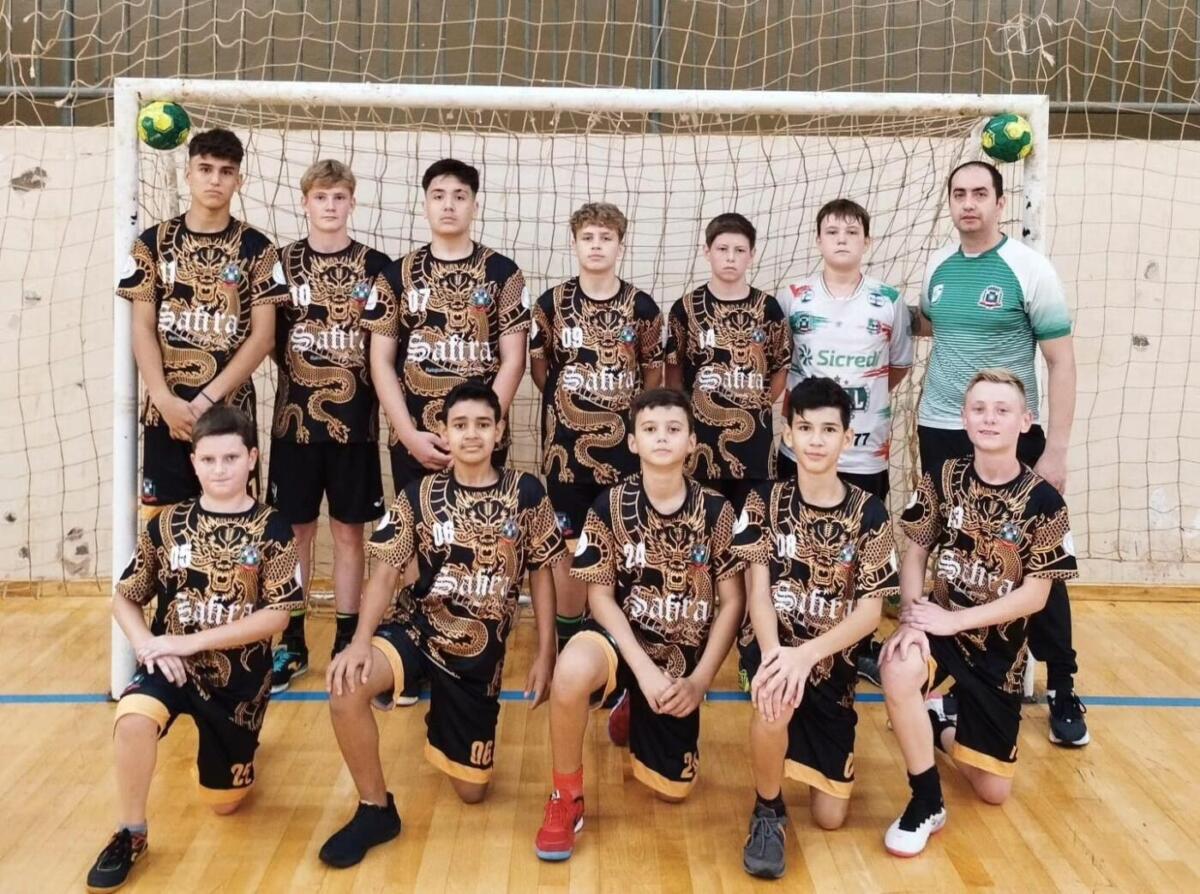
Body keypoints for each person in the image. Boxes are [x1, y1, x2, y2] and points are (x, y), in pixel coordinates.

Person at [318, 380, 564, 869]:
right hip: (419, 629)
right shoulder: (419, 494)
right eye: (460, 425)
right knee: (346, 688)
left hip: (476, 661)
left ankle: (445, 721)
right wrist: (359, 641)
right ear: (444, 432)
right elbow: (385, 571)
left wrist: (545, 652)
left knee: (472, 792)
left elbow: (541, 573)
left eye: (482, 424)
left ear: (499, 432)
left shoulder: (526, 493)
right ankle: (375, 809)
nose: (471, 434)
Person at [85, 405, 302, 892]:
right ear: (193, 462)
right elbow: (125, 597)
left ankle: (235, 747)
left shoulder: (274, 528)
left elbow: (278, 615)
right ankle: (131, 833)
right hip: (170, 666)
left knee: (225, 805)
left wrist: (187, 641)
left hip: (238, 681)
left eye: (231, 458)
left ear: (252, 458)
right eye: (208, 459)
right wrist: (148, 646)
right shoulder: (168, 525)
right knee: (133, 717)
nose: (219, 469)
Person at [533, 388, 749, 862]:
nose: (662, 438)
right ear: (633, 442)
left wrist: (700, 681)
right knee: (570, 672)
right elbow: (599, 598)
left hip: (679, 657)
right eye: (650, 429)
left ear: (692, 441)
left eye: (673, 429)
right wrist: (643, 671)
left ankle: (633, 708)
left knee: (673, 792)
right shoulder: (607, 505)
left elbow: (733, 602)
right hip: (620, 642)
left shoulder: (717, 512)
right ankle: (566, 797)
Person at [915, 160, 1087, 746]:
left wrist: (1056, 449)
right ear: (950, 201)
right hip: (941, 428)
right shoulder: (937, 267)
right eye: (959, 193)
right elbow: (936, 329)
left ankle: (1062, 684)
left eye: (980, 193)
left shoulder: (1028, 269)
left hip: (1010, 435)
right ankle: (954, 681)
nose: (969, 203)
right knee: (956, 557)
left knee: (1037, 563)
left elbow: (1061, 362)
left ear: (999, 202)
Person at [879, 369, 1078, 857]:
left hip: (997, 654)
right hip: (939, 631)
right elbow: (915, 552)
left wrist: (956, 621)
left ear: (1025, 422)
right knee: (898, 665)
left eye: (1002, 410)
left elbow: (1035, 596)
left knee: (992, 791)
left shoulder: (1046, 503)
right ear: (965, 419)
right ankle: (926, 800)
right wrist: (912, 619)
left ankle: (937, 722)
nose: (989, 418)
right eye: (979, 409)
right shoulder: (944, 477)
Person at [737, 377, 898, 879]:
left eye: (829, 430)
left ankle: (805, 752)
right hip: (773, 645)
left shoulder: (871, 513)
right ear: (788, 434)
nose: (816, 440)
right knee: (776, 695)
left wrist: (806, 656)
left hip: (830, 662)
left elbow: (870, 613)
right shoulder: (762, 502)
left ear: (847, 438)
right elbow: (757, 594)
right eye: (805, 428)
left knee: (830, 818)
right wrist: (775, 656)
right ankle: (767, 810)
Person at [775, 198, 913, 688]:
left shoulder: (889, 301)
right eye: (832, 232)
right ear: (818, 240)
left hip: (865, 451)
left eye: (851, 232)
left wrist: (856, 410)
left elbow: (897, 368)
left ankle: (858, 646)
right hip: (801, 452)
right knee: (795, 547)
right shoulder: (793, 299)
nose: (841, 239)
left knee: (860, 554)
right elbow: (779, 368)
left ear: (866, 241)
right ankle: (787, 639)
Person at [267, 159, 391, 692]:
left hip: (355, 428)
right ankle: (292, 640)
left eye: (339, 197)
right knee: (295, 532)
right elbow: (266, 337)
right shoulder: (281, 263)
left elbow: (387, 345)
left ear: (352, 203)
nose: (330, 206)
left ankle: (345, 637)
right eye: (321, 197)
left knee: (348, 533)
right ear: (305, 202)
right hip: (293, 427)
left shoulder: (377, 267)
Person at [117, 127, 286, 511]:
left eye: (226, 171)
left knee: (232, 519)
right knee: (163, 521)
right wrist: (163, 398)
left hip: (229, 414)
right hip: (166, 412)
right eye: (205, 169)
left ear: (239, 180)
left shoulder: (258, 249)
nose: (215, 180)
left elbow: (263, 337)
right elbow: (142, 327)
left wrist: (207, 400)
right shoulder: (152, 243)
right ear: (189, 174)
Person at [529, 201, 663, 653]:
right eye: (588, 237)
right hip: (565, 454)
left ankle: (618, 638)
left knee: (622, 546)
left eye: (606, 238)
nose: (596, 245)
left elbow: (652, 374)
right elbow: (541, 370)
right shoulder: (551, 304)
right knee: (569, 550)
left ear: (620, 245)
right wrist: (574, 405)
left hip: (625, 456)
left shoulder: (642, 306)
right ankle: (568, 638)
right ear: (574, 243)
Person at [362, 157, 529, 492]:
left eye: (459, 196)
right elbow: (379, 361)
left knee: (481, 524)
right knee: (418, 523)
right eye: (438, 196)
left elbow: (514, 360)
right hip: (416, 441)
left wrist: (482, 430)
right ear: (425, 206)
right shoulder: (395, 276)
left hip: (483, 444)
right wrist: (408, 435)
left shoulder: (504, 273)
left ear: (475, 206)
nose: (448, 205)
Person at [665, 212, 791, 511]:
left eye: (739, 250)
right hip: (699, 445)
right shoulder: (686, 309)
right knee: (701, 523)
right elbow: (673, 370)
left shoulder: (768, 309)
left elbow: (780, 368)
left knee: (751, 527)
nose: (731, 257)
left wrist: (755, 401)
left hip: (754, 448)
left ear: (752, 255)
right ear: (707, 251)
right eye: (722, 249)